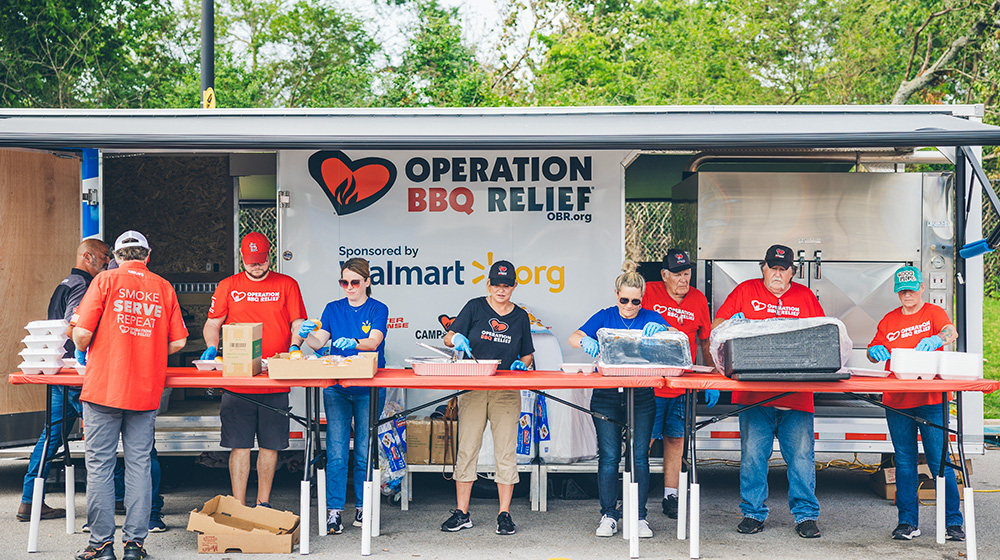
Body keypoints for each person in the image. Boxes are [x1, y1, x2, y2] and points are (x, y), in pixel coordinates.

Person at [72, 231, 187, 560]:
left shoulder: (105, 281)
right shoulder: (163, 287)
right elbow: (178, 342)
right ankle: (135, 545)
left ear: (117, 257)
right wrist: (148, 348)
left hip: (104, 388)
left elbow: (81, 336)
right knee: (139, 466)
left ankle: (101, 545)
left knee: (100, 467)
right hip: (145, 389)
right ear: (147, 256)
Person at [712, 244, 824, 539]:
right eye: (772, 267)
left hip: (797, 395)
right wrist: (731, 326)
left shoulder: (805, 296)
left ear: (792, 272)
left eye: (783, 268)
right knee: (752, 457)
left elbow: (825, 335)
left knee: (801, 458)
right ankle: (752, 513)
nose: (777, 273)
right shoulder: (745, 291)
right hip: (753, 394)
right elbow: (718, 326)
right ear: (763, 268)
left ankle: (805, 516)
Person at [201, 232, 307, 508]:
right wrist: (212, 346)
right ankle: (238, 505)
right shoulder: (228, 285)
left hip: (274, 377)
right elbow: (213, 323)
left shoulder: (287, 284)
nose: (256, 266)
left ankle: (263, 504)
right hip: (238, 379)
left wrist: (295, 345)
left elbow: (298, 321)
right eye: (251, 262)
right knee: (240, 446)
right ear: (242, 258)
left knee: (270, 446)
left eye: (260, 261)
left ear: (268, 256)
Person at [569, 259, 671, 538]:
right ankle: (608, 515)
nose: (629, 306)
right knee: (610, 457)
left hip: (641, 394)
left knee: (639, 456)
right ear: (616, 296)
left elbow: (677, 340)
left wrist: (663, 332)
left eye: (635, 301)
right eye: (624, 299)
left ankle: (638, 517)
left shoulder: (650, 317)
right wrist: (585, 341)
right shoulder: (605, 316)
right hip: (606, 395)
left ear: (642, 298)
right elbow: (573, 337)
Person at [867, 265, 964, 542]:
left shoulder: (933, 313)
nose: (907, 295)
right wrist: (876, 351)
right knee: (905, 462)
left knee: (939, 462)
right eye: (902, 290)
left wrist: (937, 338)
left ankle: (953, 523)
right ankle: (907, 522)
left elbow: (950, 332)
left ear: (921, 287)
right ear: (898, 292)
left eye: (911, 289)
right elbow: (875, 354)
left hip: (931, 399)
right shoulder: (888, 320)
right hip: (897, 400)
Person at [17, 238, 108, 523]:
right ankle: (119, 498)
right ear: (88, 257)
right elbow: (77, 326)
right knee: (109, 432)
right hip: (78, 377)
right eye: (104, 256)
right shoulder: (84, 285)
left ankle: (30, 500)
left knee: (50, 437)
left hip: (60, 374)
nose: (108, 261)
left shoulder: (65, 282)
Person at [440, 260, 534, 536]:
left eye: (506, 285)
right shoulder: (474, 306)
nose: (501, 290)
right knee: (467, 449)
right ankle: (462, 513)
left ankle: (504, 514)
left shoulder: (520, 317)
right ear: (488, 284)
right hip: (474, 386)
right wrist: (456, 339)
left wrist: (522, 364)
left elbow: (527, 354)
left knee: (505, 452)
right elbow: (449, 338)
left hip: (506, 390)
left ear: (514, 287)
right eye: (496, 285)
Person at [297, 258, 388, 535]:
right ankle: (333, 511)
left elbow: (374, 341)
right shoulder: (332, 308)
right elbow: (318, 342)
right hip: (336, 387)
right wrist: (305, 334)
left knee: (363, 451)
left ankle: (363, 507)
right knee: (336, 452)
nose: (349, 287)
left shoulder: (377, 308)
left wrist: (354, 344)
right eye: (344, 282)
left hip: (368, 388)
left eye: (354, 282)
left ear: (367, 282)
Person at [641, 248, 719, 519]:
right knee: (645, 440)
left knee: (676, 439)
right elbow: (625, 307)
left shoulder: (698, 299)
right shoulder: (648, 291)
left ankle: (670, 496)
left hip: (682, 384)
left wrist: (713, 378)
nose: (683, 280)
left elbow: (705, 342)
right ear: (664, 275)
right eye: (677, 275)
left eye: (686, 274)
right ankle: (634, 495)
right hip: (649, 384)